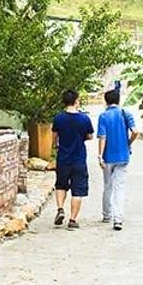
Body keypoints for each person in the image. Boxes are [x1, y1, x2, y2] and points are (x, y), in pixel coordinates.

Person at [51, 90, 94, 230]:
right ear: (76, 101)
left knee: (61, 185)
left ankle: (60, 209)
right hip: (79, 159)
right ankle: (73, 220)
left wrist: (55, 146)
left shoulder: (58, 118)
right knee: (78, 190)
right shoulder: (84, 119)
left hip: (63, 158)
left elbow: (54, 137)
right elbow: (90, 136)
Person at [97, 89, 139, 231]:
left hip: (108, 157)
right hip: (123, 156)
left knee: (107, 186)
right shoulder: (125, 113)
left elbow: (102, 137)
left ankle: (106, 215)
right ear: (118, 100)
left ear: (106, 101)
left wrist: (100, 155)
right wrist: (128, 143)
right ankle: (118, 219)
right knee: (119, 188)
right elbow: (136, 131)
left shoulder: (103, 116)